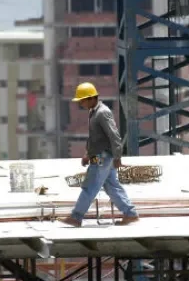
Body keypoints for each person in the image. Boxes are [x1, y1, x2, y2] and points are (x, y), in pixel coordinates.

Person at [60, 82, 140, 227]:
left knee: (90, 186)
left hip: (103, 157)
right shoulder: (94, 112)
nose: (81, 104)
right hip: (101, 156)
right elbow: (95, 138)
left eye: (82, 101)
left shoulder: (102, 112)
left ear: (91, 98)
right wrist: (87, 154)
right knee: (111, 186)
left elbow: (114, 136)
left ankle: (76, 217)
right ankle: (130, 213)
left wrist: (117, 157)